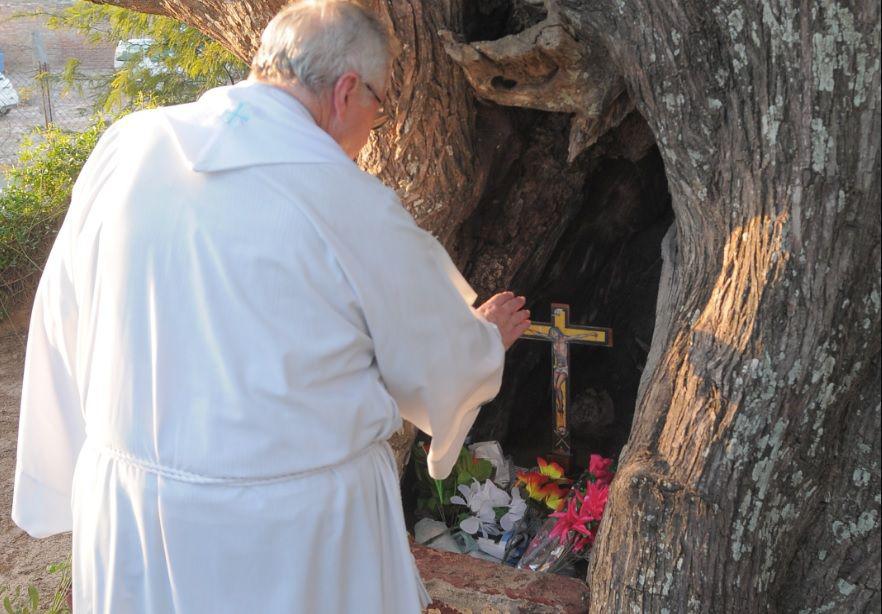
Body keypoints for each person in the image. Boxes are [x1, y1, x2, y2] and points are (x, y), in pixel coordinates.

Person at [11, 1, 530, 612]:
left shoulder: (129, 146)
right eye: (380, 105)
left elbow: (62, 313)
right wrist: (485, 339)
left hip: (136, 517)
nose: (374, 126)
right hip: (291, 539)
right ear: (345, 92)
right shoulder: (350, 204)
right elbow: (432, 359)